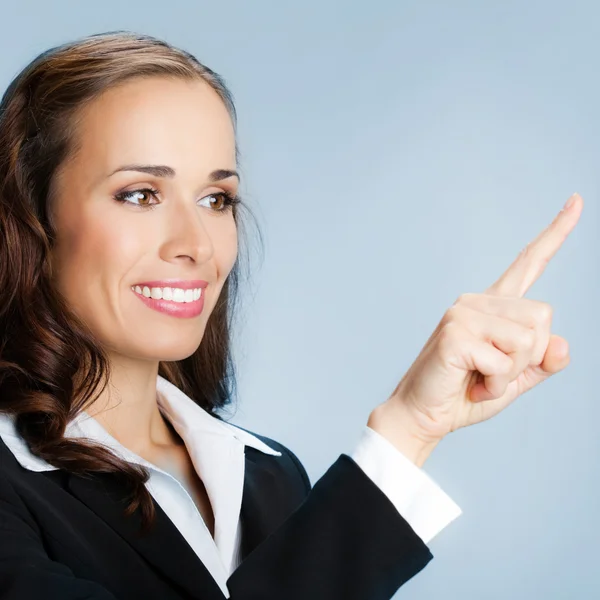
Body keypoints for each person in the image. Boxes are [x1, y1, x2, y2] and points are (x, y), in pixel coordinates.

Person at [0, 30, 582, 600]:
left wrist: (418, 427)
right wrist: (403, 432)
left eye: (216, 199)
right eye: (140, 194)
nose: (197, 244)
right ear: (31, 216)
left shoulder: (268, 476)